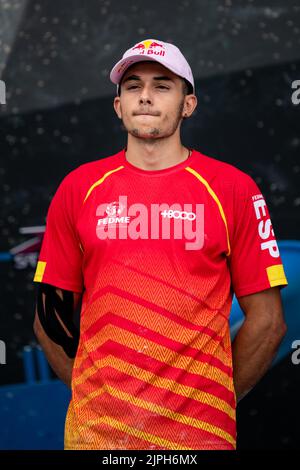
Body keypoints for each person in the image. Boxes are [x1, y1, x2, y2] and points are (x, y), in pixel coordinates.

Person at [33, 38, 288, 450]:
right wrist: (98, 399)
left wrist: (215, 401)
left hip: (201, 440)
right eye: (132, 86)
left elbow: (268, 322)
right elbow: (50, 318)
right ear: (118, 106)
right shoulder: (78, 188)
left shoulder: (234, 189)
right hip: (97, 440)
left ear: (188, 104)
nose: (145, 96)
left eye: (162, 85)